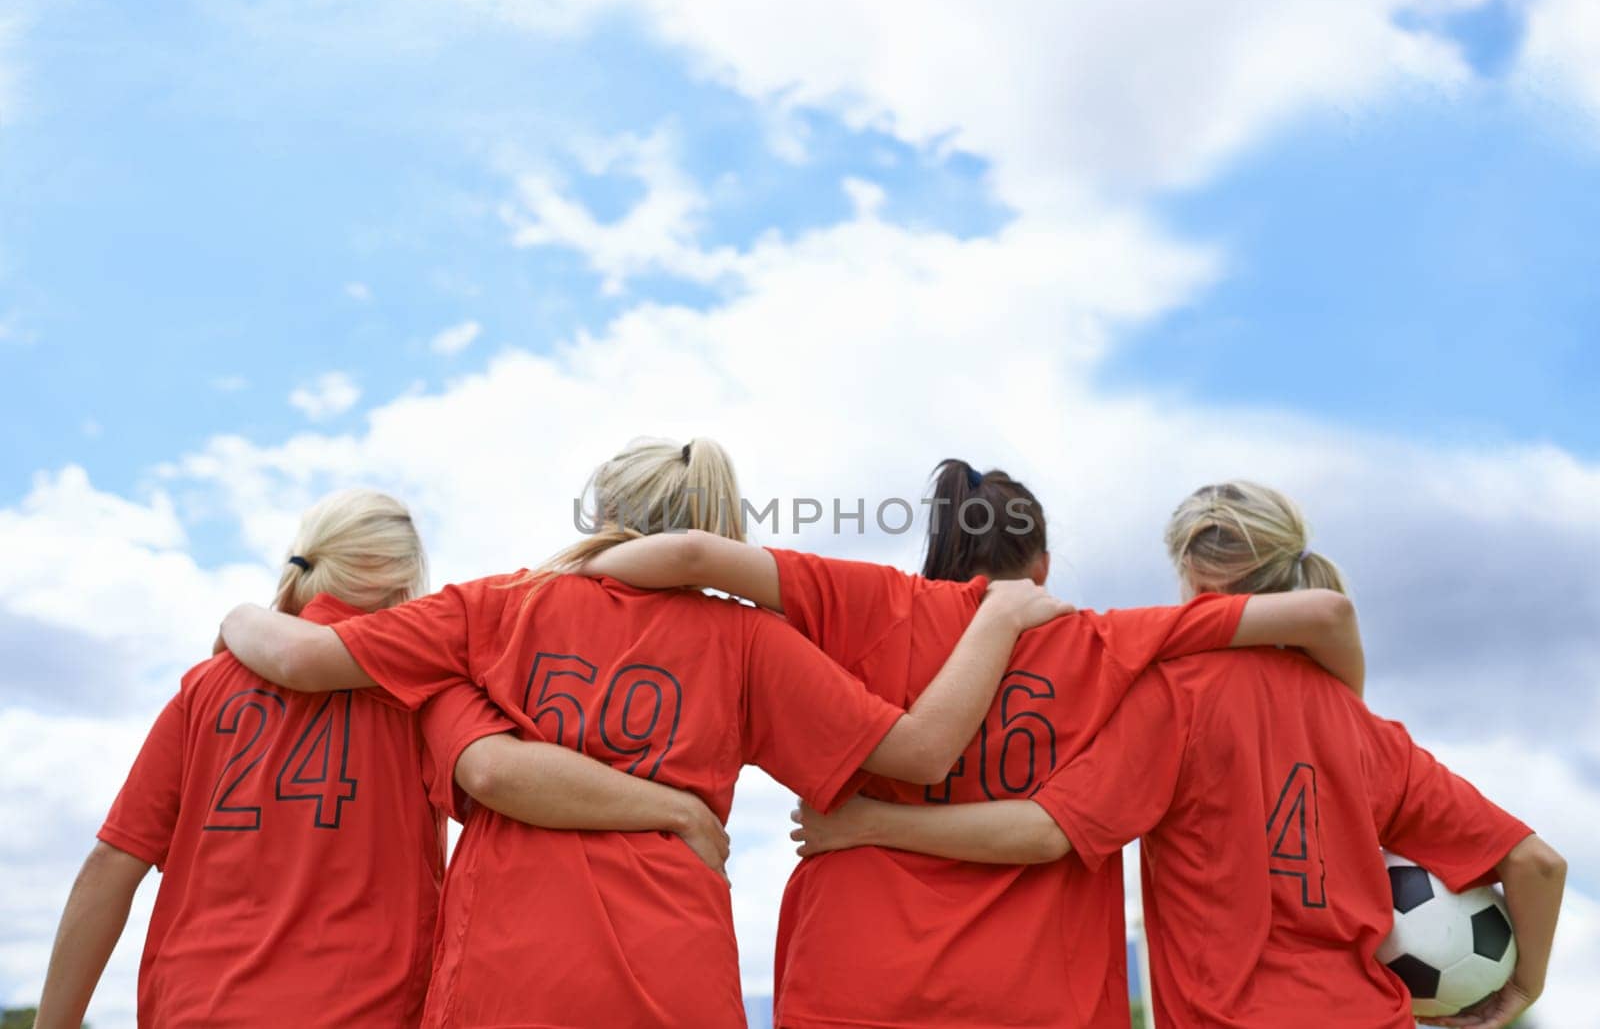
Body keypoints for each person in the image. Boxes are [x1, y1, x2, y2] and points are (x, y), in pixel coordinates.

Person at [214, 438, 1073, 1028]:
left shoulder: (500, 604)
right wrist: (997, 618)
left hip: (509, 977)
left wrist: (240, 611)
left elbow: (302, 660)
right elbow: (924, 750)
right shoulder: (747, 640)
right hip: (676, 975)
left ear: (604, 516)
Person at [579, 460, 1365, 1029]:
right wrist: (1345, 730)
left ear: (937, 546)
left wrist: (573, 573)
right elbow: (1326, 616)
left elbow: (688, 556)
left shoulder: (856, 599)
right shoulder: (1108, 640)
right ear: (1043, 565)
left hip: (852, 982)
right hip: (1039, 998)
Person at [794, 480, 1566, 1029]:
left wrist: (867, 825)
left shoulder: (1175, 696)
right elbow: (1538, 863)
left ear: (1193, 575)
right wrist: (1522, 982)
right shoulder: (1367, 729)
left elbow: (1046, 833)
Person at [34, 489, 733, 1029]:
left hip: (195, 1007)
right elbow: (500, 775)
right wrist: (675, 809)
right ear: (405, 581)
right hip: (361, 1010)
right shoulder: (422, 686)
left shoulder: (205, 687)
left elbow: (111, 868)